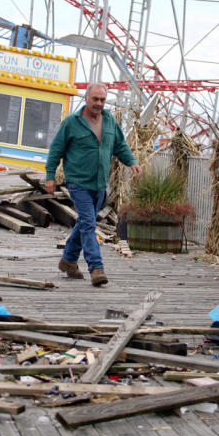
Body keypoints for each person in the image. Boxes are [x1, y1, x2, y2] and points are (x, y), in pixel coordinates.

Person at [44, 82, 141, 286]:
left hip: (99, 184)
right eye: (95, 99)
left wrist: (131, 162)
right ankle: (96, 268)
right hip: (78, 182)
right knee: (89, 224)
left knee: (83, 223)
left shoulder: (109, 122)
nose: (99, 103)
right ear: (86, 98)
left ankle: (68, 260)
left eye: (102, 100)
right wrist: (50, 176)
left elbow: (120, 146)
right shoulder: (72, 122)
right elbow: (56, 150)